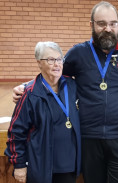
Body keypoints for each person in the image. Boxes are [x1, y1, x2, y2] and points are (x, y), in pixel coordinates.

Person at [13, 1, 118, 183]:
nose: (108, 28)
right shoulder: (78, 53)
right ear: (92, 25)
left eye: (113, 23)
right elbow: (52, 73)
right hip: (88, 139)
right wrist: (25, 86)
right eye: (102, 23)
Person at [5, 42, 81, 183]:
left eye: (59, 59)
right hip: (41, 167)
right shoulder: (30, 93)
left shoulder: (72, 86)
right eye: (51, 60)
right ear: (39, 63)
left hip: (69, 166)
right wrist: (20, 165)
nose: (57, 64)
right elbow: (16, 132)